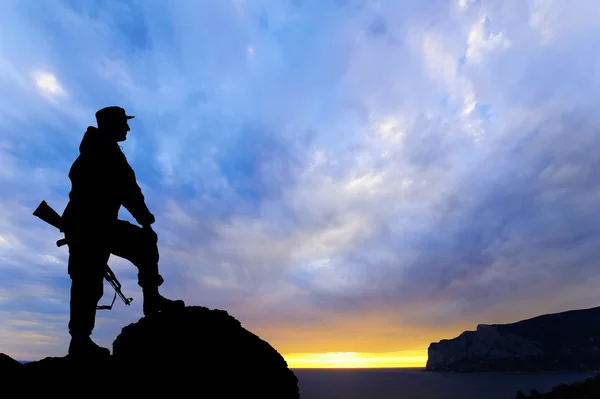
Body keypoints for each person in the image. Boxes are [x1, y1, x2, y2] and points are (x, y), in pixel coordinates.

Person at [60, 106, 185, 357]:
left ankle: (152, 301)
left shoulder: (104, 151)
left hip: (99, 224)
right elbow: (126, 190)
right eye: (123, 123)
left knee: (144, 244)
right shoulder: (100, 153)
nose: (127, 128)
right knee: (87, 281)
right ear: (110, 125)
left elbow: (127, 189)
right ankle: (80, 341)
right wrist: (144, 219)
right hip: (88, 226)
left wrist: (145, 221)